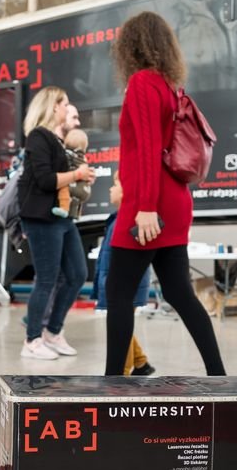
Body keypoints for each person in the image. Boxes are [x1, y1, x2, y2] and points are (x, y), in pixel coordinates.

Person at [105, 11, 225, 377]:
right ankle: (218, 375)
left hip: (149, 203)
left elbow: (148, 148)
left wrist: (144, 209)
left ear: (131, 46)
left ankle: (112, 383)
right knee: (178, 293)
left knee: (119, 292)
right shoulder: (171, 87)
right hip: (176, 201)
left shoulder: (143, 82)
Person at [17, 86, 95, 360]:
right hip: (41, 218)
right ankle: (32, 339)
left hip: (62, 218)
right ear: (53, 107)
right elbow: (45, 180)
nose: (67, 109)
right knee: (47, 279)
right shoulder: (38, 137)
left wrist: (80, 176)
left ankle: (52, 331)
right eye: (64, 104)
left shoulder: (56, 140)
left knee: (76, 274)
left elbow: (60, 179)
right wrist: (76, 174)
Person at [97, 175, 154, 375]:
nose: (110, 189)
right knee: (121, 324)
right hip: (116, 285)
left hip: (124, 288)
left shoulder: (125, 221)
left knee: (120, 326)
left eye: (115, 185)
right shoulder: (116, 219)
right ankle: (140, 362)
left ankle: (122, 372)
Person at [57, 128, 93, 219]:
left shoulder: (67, 154)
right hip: (84, 189)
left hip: (72, 186)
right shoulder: (83, 157)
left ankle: (64, 209)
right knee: (76, 200)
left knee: (63, 189)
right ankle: (76, 214)